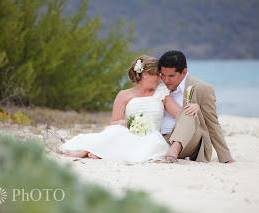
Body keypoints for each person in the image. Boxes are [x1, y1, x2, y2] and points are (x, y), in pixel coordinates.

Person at [58, 55, 200, 162]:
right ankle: (86, 150)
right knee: (117, 131)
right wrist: (122, 123)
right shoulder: (124, 95)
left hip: (151, 135)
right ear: (144, 75)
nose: (160, 78)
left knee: (149, 147)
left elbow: (179, 114)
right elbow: (113, 122)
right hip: (128, 131)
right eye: (157, 74)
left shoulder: (162, 93)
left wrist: (194, 106)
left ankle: (99, 152)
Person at [159, 50, 234, 163]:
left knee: (191, 109)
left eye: (171, 76)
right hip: (161, 140)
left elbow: (212, 124)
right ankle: (170, 149)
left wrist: (226, 158)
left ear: (184, 72)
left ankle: (175, 147)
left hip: (189, 142)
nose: (166, 80)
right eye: (162, 75)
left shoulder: (202, 89)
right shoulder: (157, 86)